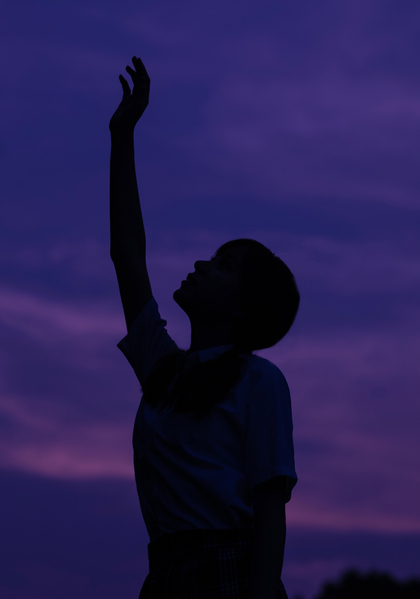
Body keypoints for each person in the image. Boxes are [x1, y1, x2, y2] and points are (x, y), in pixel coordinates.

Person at [110, 56, 300, 599]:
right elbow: (127, 254)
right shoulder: (164, 372)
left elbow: (270, 510)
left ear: (242, 308)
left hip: (231, 574)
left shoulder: (258, 381)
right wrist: (122, 136)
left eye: (224, 265)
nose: (202, 264)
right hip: (166, 577)